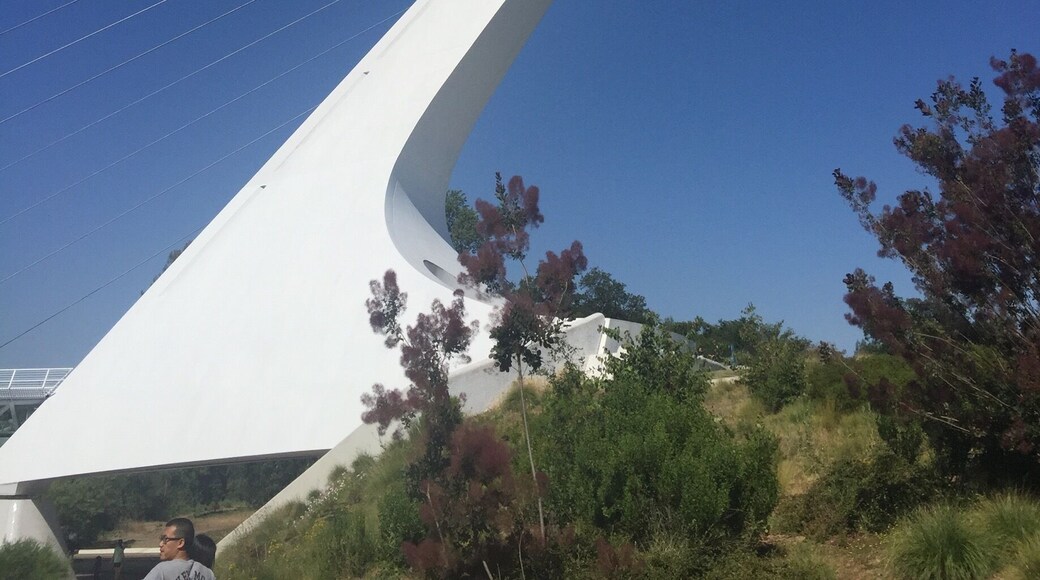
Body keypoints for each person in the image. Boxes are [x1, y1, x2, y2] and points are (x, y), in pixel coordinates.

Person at [143, 517, 216, 580]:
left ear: (181, 543)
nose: (161, 544)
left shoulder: (162, 570)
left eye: (166, 539)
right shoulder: (208, 574)